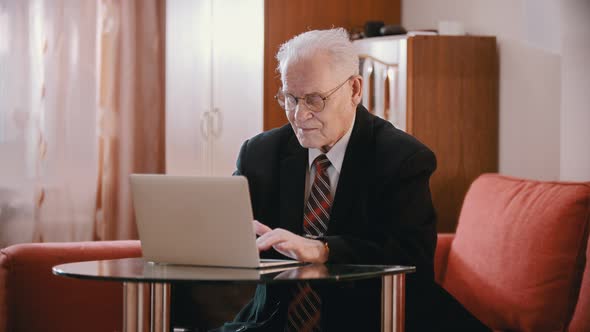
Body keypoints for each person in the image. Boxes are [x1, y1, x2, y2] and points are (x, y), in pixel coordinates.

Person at [215, 28, 488, 332]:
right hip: (273, 321)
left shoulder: (403, 158)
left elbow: (412, 258)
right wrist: (229, 235)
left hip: (374, 319)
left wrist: (324, 250)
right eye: (290, 98)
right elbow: (226, 230)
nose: (299, 115)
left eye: (314, 99)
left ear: (355, 90)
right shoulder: (260, 153)